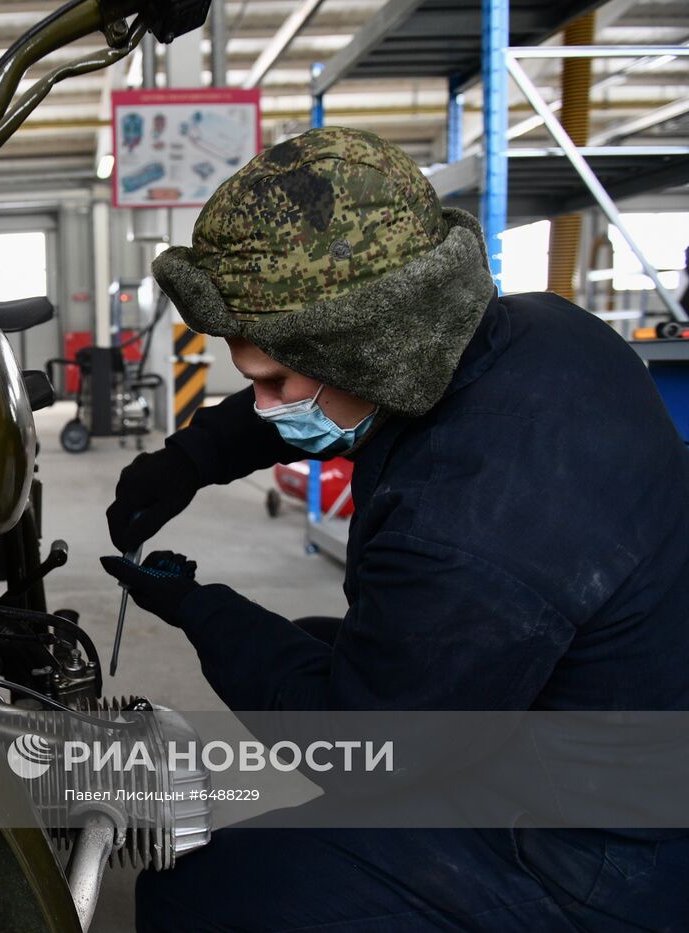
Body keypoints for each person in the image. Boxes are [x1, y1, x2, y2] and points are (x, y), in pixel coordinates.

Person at [100, 127, 689, 931]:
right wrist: (191, 459)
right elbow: (319, 389)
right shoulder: (536, 333)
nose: (266, 403)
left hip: (597, 858)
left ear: (371, 347)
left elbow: (359, 745)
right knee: (317, 640)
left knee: (202, 893)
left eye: (272, 380)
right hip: (603, 729)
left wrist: (200, 607)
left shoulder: (470, 524)